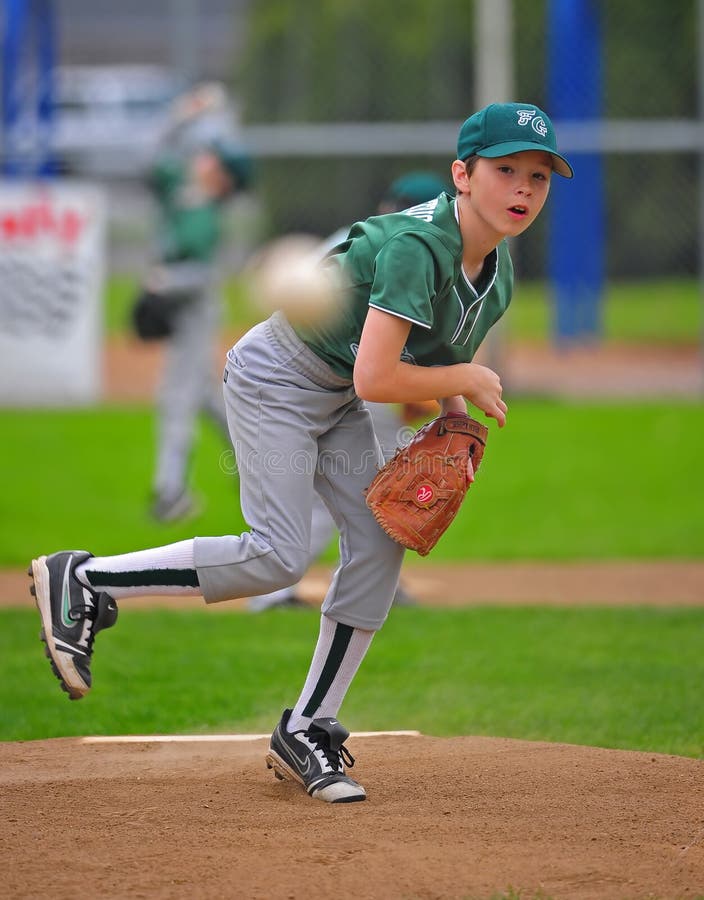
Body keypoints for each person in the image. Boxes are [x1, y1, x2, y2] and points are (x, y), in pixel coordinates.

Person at [30, 102, 572, 804]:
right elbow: (378, 378)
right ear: (462, 176)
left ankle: (307, 728)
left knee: (379, 542)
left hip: (335, 392)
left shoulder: (496, 274)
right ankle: (86, 578)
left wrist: (455, 418)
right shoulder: (418, 246)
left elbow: (432, 364)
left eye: (538, 175)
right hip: (278, 378)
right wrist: (465, 380)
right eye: (505, 170)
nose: (523, 187)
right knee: (278, 554)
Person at [246, 171, 449, 612]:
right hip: (354, 379)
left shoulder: (358, 235)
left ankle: (374, 582)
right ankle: (282, 591)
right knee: (374, 489)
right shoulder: (418, 250)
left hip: (325, 375)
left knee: (367, 490)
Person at [142, 82, 253, 522]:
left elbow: (203, 274)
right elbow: (152, 160)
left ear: (223, 178)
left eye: (211, 159)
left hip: (195, 311)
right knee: (206, 396)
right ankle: (257, 463)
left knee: (177, 397)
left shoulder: (207, 213)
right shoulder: (185, 192)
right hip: (181, 308)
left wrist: (162, 282)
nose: (201, 158)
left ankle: (170, 492)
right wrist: (183, 115)